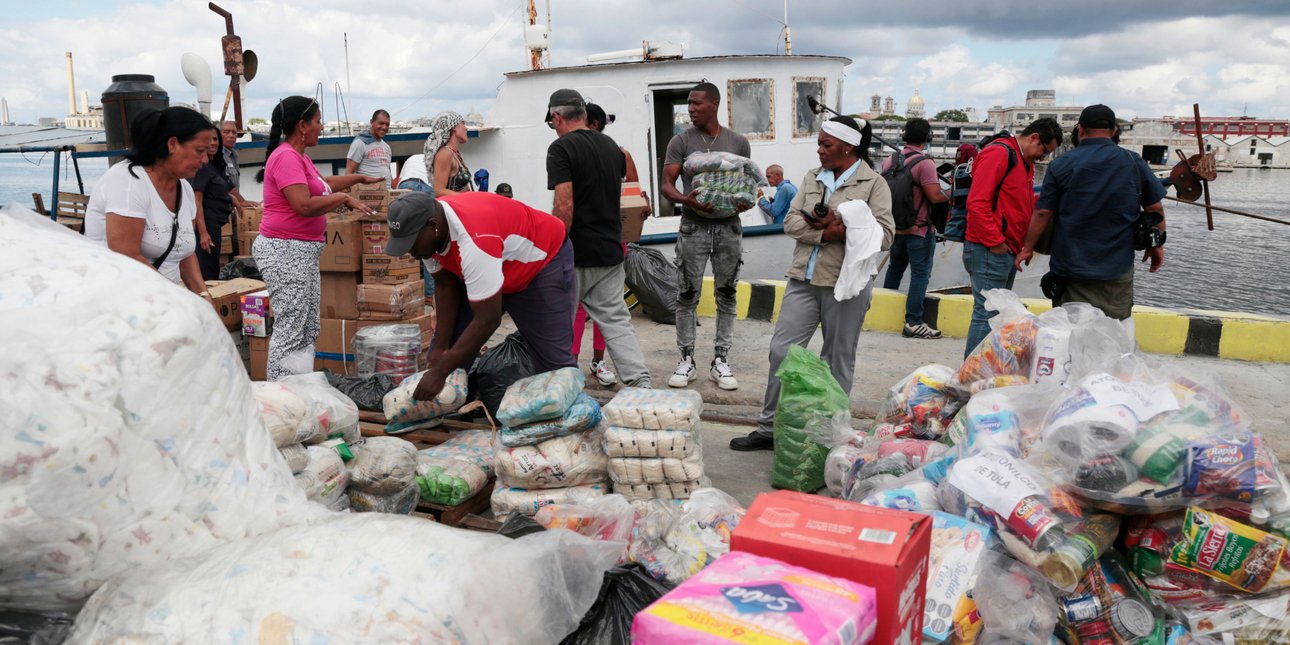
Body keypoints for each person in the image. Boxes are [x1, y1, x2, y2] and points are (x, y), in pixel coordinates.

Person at [730, 116, 895, 451]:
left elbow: (886, 234)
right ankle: (769, 428)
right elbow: (790, 221)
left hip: (845, 284)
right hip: (803, 278)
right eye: (819, 143)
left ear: (848, 146)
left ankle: (828, 435)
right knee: (781, 351)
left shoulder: (874, 183)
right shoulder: (811, 178)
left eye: (826, 144)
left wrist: (842, 227)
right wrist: (824, 233)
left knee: (837, 358)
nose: (819, 150)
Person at [382, 191, 577, 401]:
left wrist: (439, 374)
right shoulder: (431, 228)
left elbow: (488, 320)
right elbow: (446, 285)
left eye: (411, 243)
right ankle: (449, 403)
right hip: (492, 262)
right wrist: (440, 347)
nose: (409, 252)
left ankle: (571, 421)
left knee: (554, 366)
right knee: (451, 346)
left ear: (433, 226)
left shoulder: (475, 239)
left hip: (540, 264)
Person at [254, 96, 382, 381]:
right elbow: (304, 204)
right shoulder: (286, 156)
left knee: (308, 327)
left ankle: (299, 387)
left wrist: (358, 179)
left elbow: (323, 185)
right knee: (290, 329)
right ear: (302, 126)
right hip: (284, 250)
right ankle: (280, 396)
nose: (321, 127)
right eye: (318, 121)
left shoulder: (299, 157)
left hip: (302, 252)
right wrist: (343, 199)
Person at [1017, 105, 1167, 320]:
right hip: (1116, 269)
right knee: (1113, 335)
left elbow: (1043, 212)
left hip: (1070, 269)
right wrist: (1157, 246)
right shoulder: (1134, 162)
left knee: (1071, 334)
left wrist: (1028, 248)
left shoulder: (1061, 164)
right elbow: (1155, 209)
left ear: (1080, 131)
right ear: (1114, 131)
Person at [546, 89, 652, 388]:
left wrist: (553, 249)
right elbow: (626, 198)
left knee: (560, 323)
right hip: (609, 249)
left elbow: (564, 205)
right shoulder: (612, 148)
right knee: (616, 321)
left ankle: (560, 388)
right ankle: (640, 384)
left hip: (575, 253)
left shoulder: (561, 149)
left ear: (556, 117)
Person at [660, 81, 752, 391]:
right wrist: (687, 200)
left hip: (729, 227)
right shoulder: (681, 142)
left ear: (714, 104)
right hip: (693, 226)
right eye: (689, 103)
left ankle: (720, 360)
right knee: (687, 295)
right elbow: (667, 186)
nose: (691, 109)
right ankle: (686, 359)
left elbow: (746, 185)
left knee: (726, 294)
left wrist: (745, 201)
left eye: (697, 103)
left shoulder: (738, 143)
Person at [961, 117, 1063, 357]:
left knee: (998, 313)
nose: (1043, 157)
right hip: (990, 248)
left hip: (1005, 249)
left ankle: (982, 370)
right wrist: (995, 242)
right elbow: (977, 203)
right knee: (987, 313)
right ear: (1034, 137)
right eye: (1044, 150)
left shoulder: (1022, 160)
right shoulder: (1000, 154)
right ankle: (970, 374)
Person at [84, 106, 210, 294]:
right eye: (200, 151)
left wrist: (203, 296)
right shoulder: (127, 181)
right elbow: (125, 254)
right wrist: (179, 299)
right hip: (120, 300)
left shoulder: (184, 188)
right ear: (172, 144)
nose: (205, 160)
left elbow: (183, 252)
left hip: (161, 301)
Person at [881, 118, 950, 339]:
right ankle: (913, 321)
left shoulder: (889, 161)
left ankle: (884, 313)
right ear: (927, 138)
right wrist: (953, 190)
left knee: (895, 268)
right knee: (920, 274)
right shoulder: (925, 163)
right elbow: (935, 196)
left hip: (896, 228)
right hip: (919, 230)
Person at [192, 124, 236, 280]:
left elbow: (219, 190)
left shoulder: (215, 166)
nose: (213, 143)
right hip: (207, 225)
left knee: (213, 267)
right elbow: (197, 200)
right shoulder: (203, 167)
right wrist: (203, 233)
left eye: (215, 139)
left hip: (216, 225)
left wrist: (233, 199)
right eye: (208, 140)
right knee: (207, 270)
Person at [426, 111, 474, 196]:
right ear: (454, 127)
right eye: (463, 123)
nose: (466, 128)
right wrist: (467, 199)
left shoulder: (454, 153)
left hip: (461, 205)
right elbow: (439, 190)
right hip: (453, 207)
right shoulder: (445, 154)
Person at [345, 109, 393, 187]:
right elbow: (349, 173)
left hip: (386, 194)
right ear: (372, 122)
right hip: (368, 195)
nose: (384, 127)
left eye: (387, 124)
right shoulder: (360, 143)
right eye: (381, 123)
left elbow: (388, 173)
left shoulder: (387, 147)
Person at [218, 120, 257, 209]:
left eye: (234, 133)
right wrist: (242, 201)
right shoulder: (217, 156)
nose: (231, 136)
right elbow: (224, 183)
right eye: (226, 132)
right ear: (218, 135)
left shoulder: (233, 155)